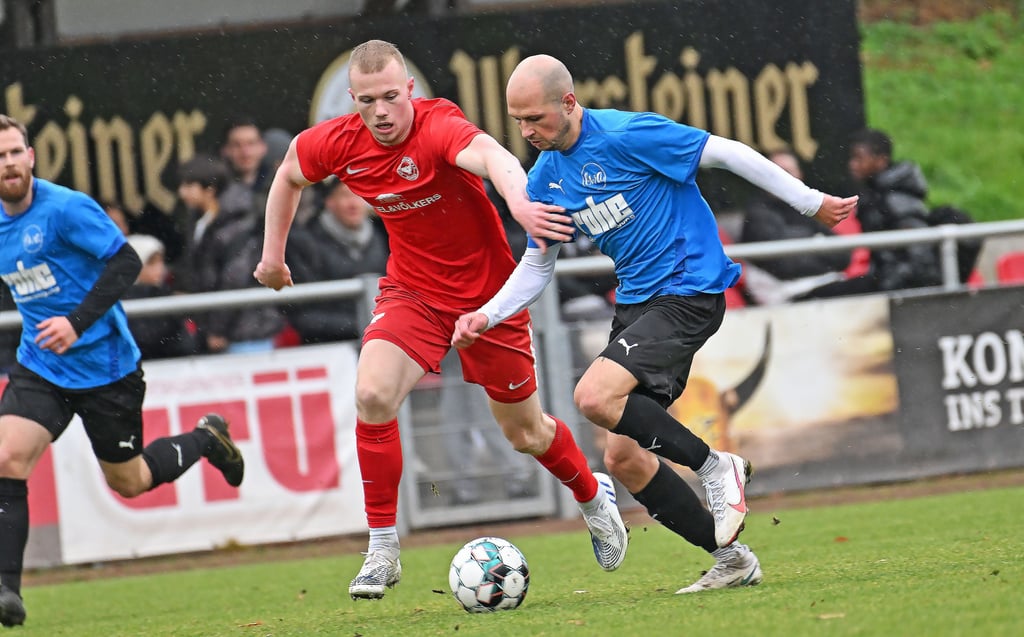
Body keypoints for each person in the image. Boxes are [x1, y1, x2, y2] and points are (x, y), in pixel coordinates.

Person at [451, 55, 857, 593]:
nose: (526, 132)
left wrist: (810, 203)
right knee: (622, 457)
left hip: (689, 288)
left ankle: (716, 467)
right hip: (638, 306)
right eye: (518, 121)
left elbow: (726, 152)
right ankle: (732, 559)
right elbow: (538, 265)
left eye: (536, 119)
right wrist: (488, 313)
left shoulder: (628, 134)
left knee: (593, 396)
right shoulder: (546, 177)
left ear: (569, 103)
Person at [252, 40, 628, 600]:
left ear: (409, 89)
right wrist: (272, 257)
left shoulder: (438, 126)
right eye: (366, 101)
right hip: (414, 294)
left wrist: (520, 204)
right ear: (352, 100)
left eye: (390, 97)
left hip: (489, 301)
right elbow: (288, 174)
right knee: (372, 395)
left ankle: (593, 496)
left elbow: (494, 156)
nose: (381, 112)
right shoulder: (337, 142)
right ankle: (382, 549)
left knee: (526, 434)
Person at [0, 115, 245, 627]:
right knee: (6, 458)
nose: (9, 163)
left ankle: (206, 438)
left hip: (106, 368)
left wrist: (75, 322)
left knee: (130, 482)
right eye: (0, 157)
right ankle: (7, 590)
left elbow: (126, 263)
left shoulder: (65, 208)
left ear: (31, 156)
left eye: (15, 152)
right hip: (41, 366)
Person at [805, 128, 939, 298]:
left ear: (881, 160)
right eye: (852, 158)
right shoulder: (877, 195)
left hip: (900, 283)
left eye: (859, 158)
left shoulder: (895, 200)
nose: (852, 165)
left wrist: (889, 285)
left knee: (819, 296)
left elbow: (920, 254)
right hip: (886, 277)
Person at [282, 178, 390, 344]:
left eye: (358, 195)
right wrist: (363, 325)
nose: (353, 203)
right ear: (329, 202)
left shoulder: (382, 235)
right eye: (345, 195)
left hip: (379, 339)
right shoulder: (304, 243)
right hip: (329, 346)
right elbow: (304, 314)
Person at [123, 234, 198, 360]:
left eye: (161, 261)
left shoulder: (164, 293)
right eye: (151, 263)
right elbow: (147, 339)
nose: (160, 268)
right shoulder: (123, 300)